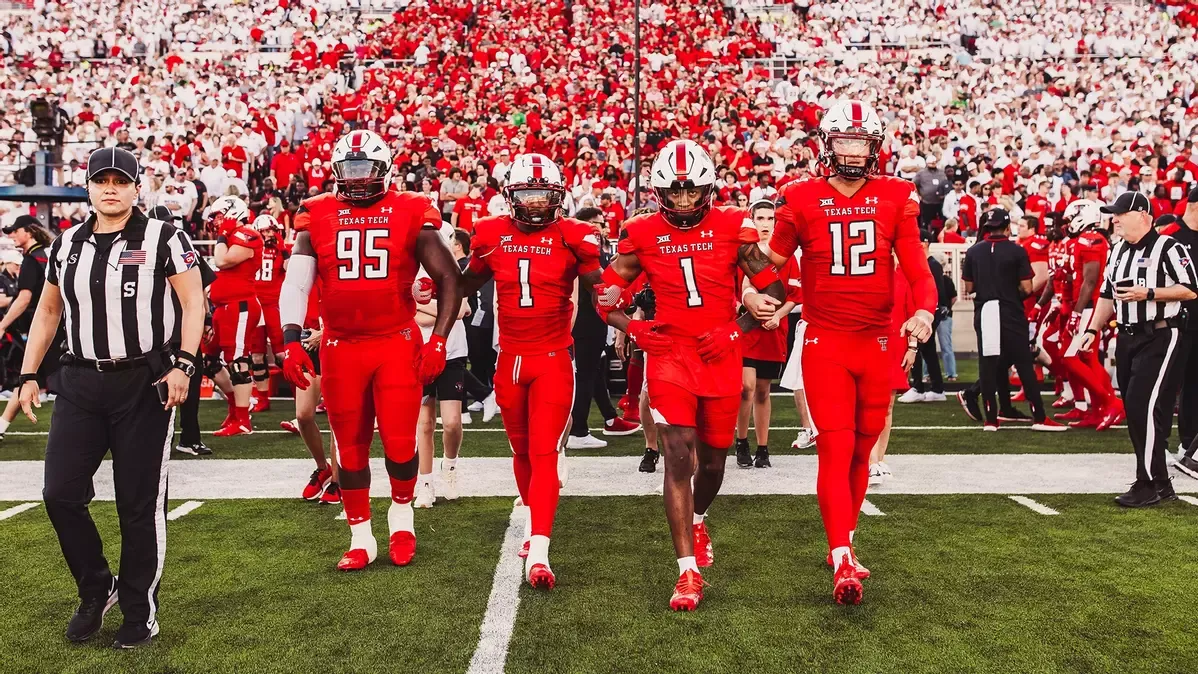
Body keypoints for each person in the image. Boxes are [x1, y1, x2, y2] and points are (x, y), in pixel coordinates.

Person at [19, 147, 204, 648]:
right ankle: (97, 586)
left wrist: (184, 363)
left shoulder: (164, 237)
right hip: (79, 381)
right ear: (87, 186)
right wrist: (29, 372)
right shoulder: (66, 243)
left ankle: (140, 609)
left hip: (144, 382)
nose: (110, 188)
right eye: (101, 180)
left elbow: (193, 301)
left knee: (137, 505)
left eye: (120, 181)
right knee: (59, 493)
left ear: (136, 187)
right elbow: (48, 313)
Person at [595, 139, 786, 611]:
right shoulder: (640, 230)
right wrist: (634, 326)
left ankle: (699, 517)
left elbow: (774, 289)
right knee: (677, 454)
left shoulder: (730, 225)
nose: (683, 201)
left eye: (691, 192)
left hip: (719, 353)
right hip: (669, 355)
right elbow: (604, 295)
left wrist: (738, 328)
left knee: (715, 465)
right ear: (660, 191)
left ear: (707, 188)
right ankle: (686, 572)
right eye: (674, 193)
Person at [767, 100, 937, 605]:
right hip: (825, 340)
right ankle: (840, 552)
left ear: (874, 147)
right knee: (835, 447)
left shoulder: (895, 196)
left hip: (876, 340)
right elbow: (772, 261)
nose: (852, 151)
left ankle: (845, 539)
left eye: (860, 142)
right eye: (843, 141)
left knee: (864, 449)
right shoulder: (799, 196)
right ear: (827, 143)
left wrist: (925, 310)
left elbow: (917, 268)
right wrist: (748, 276)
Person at [278, 129, 462, 571]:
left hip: (395, 342)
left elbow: (450, 277)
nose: (358, 179)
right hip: (341, 345)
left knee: (400, 442)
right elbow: (297, 280)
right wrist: (289, 340)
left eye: (366, 170)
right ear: (338, 172)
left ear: (384, 170)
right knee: (350, 445)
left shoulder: (410, 208)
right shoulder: (316, 213)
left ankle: (402, 519)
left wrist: (438, 338)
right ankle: (362, 536)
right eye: (350, 170)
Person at [458, 152, 605, 589]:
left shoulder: (575, 234)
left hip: (552, 358)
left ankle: (539, 547)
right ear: (511, 195)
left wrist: (625, 300)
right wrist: (434, 282)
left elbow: (604, 283)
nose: (537, 204)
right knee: (521, 452)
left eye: (544, 195)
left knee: (543, 453)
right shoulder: (489, 234)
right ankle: (532, 519)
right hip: (510, 361)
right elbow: (466, 281)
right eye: (528, 195)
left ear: (558, 196)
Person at [1079, 191, 1197, 507]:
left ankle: (1147, 484)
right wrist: (1092, 328)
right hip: (1128, 337)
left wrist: (1149, 293)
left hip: (1161, 334)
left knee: (1140, 403)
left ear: (1143, 214)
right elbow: (1106, 295)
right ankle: (1160, 482)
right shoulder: (1117, 250)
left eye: (1121, 213)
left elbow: (1191, 289)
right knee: (1139, 409)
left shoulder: (1168, 247)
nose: (1114, 218)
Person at [960, 208, 1066, 432]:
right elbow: (1027, 287)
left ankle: (991, 420)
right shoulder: (1016, 250)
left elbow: (969, 288)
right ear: (1007, 227)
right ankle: (1039, 417)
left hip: (985, 310)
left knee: (988, 365)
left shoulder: (973, 251)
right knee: (1023, 362)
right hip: (1010, 310)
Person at [565, 206, 640, 450]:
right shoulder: (578, 249)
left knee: (595, 372)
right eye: (596, 223)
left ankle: (609, 417)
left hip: (596, 319)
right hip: (585, 321)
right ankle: (578, 430)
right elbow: (578, 294)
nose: (602, 227)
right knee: (585, 374)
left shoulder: (596, 250)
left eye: (603, 222)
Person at [736, 200, 801, 468]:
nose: (765, 223)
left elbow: (795, 296)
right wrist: (747, 302)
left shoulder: (786, 258)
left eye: (770, 218)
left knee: (763, 391)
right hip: (746, 329)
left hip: (774, 330)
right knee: (745, 387)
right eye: (760, 218)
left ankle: (763, 448)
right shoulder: (741, 255)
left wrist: (778, 315)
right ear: (752, 220)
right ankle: (741, 442)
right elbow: (734, 293)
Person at [414, 226, 472, 508]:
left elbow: (461, 310)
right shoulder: (412, 270)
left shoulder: (454, 271)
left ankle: (450, 465)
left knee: (451, 422)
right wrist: (446, 309)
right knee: (424, 423)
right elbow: (412, 315)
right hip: (419, 351)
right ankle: (424, 482)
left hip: (452, 351)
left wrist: (426, 308)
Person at [1055, 200, 1124, 430]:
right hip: (1086, 305)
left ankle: (1110, 402)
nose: (1067, 224)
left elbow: (1090, 280)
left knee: (1070, 356)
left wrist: (1075, 314)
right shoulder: (1086, 240)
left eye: (1070, 219)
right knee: (1087, 358)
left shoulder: (1091, 239)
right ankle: (1098, 410)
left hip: (1089, 307)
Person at [0, 215, 61, 440]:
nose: (13, 235)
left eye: (16, 231)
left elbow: (25, 298)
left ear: (29, 231)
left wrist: (3, 324)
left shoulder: (32, 259)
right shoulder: (49, 253)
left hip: (42, 326)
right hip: (60, 325)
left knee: (27, 376)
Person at [208, 196, 262, 437]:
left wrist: (222, 236)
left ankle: (243, 420)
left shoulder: (247, 234)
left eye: (220, 215)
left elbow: (223, 260)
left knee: (238, 360)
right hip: (224, 307)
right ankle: (234, 407)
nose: (216, 221)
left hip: (239, 306)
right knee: (207, 362)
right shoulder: (230, 237)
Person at [1167, 188, 1198, 479]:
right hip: (1177, 323)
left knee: (1194, 387)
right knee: (1169, 385)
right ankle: (1158, 445)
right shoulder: (1172, 234)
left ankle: (1189, 445)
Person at [898, 230, 946, 403]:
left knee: (919, 350)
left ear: (924, 243)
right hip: (920, 312)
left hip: (925, 313)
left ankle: (919, 386)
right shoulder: (922, 264)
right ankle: (934, 387)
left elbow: (934, 291)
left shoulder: (931, 265)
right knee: (928, 351)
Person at [249, 214, 289, 413]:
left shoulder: (283, 250)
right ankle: (263, 399)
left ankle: (303, 393)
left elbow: (289, 270)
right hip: (255, 304)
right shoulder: (248, 248)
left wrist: (282, 249)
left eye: (270, 231)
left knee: (282, 353)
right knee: (256, 355)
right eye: (264, 231)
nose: (267, 235)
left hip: (274, 304)